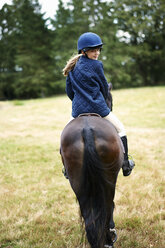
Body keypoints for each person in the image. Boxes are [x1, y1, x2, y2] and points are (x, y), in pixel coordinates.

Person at [62, 32, 135, 177]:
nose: (96, 53)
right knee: (121, 129)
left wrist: (79, 102)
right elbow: (103, 87)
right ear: (83, 51)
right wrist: (98, 100)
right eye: (93, 50)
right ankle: (126, 165)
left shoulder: (72, 68)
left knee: (64, 135)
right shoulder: (97, 65)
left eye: (98, 50)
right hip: (99, 108)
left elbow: (69, 91)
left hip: (77, 111)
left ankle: (66, 169)